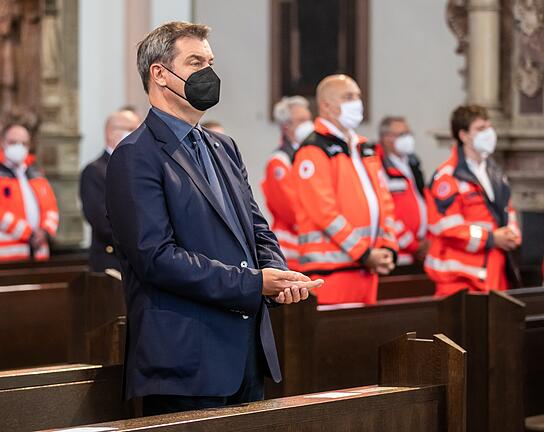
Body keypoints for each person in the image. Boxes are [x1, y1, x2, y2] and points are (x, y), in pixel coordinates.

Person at [106, 21, 322, 416]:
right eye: (195, 62)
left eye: (211, 61)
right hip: (185, 360)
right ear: (159, 74)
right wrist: (254, 282)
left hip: (244, 353)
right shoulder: (135, 155)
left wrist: (277, 274)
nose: (210, 73)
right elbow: (156, 258)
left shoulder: (224, 146)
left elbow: (256, 228)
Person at [291, 74, 399, 305]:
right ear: (326, 105)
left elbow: (385, 201)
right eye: (348, 97)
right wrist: (365, 253)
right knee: (339, 339)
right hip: (333, 270)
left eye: (358, 96)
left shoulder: (364, 146)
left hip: (368, 269)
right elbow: (324, 213)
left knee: (369, 338)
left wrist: (388, 246)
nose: (357, 102)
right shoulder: (313, 149)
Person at [425, 105, 521, 295]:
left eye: (489, 126)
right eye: (480, 128)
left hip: (495, 270)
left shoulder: (495, 172)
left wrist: (512, 233)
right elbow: (447, 227)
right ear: (464, 135)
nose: (489, 133)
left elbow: (507, 209)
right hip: (460, 279)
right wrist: (492, 238)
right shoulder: (447, 176)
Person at [0, 122, 59, 263]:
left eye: (23, 143)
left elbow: (51, 209)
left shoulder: (36, 174)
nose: (19, 147)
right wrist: (29, 233)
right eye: (13, 142)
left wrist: (44, 232)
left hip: (38, 255)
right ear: (2, 142)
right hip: (3, 258)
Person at [80, 109, 140, 272]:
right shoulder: (95, 171)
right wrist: (138, 242)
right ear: (111, 132)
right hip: (112, 260)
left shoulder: (140, 168)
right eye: (131, 128)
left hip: (140, 258)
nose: (138, 134)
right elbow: (101, 220)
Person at [262, 96, 313, 269]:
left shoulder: (311, 155)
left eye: (309, 119)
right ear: (286, 126)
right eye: (301, 120)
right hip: (291, 249)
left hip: (313, 246)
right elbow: (288, 208)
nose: (309, 125)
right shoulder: (279, 161)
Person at [376, 116, 429, 266]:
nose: (407, 138)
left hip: (420, 251)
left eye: (408, 133)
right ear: (386, 139)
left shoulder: (412, 163)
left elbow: (422, 199)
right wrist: (413, 245)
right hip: (398, 253)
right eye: (401, 134)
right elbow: (387, 213)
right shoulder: (378, 166)